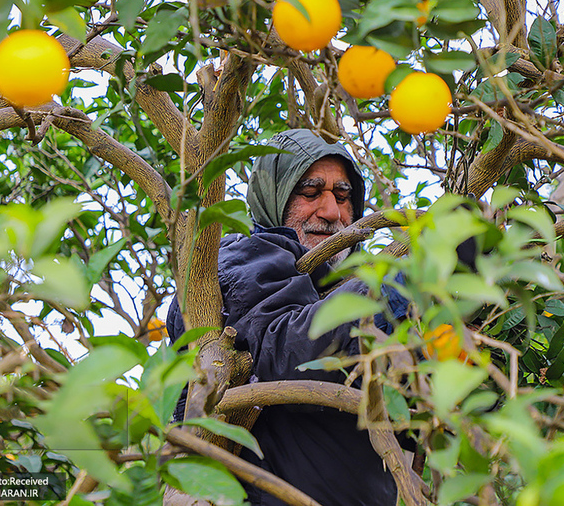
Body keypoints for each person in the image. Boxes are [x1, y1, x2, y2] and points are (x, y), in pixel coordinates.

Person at [167, 128, 475, 505]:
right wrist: (408, 278)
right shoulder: (241, 256)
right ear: (274, 195)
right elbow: (286, 354)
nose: (332, 212)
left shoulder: (343, 293)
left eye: (343, 197)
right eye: (311, 193)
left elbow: (414, 412)